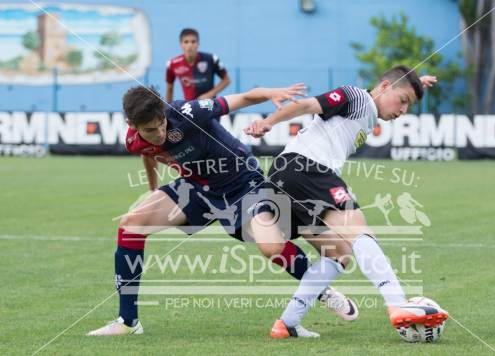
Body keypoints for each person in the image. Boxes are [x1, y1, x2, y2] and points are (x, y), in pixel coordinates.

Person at [86, 83, 357, 336]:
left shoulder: (187, 112)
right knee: (131, 224)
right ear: (131, 125)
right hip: (198, 188)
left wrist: (273, 93)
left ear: (164, 112)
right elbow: (149, 154)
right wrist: (153, 190)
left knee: (272, 247)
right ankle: (128, 321)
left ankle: (323, 291)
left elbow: (243, 98)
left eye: (161, 125)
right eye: (150, 131)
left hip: (243, 182)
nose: (159, 134)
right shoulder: (134, 140)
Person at [244, 65, 449, 338]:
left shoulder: (365, 104)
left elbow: (388, 89)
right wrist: (270, 121)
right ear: (385, 87)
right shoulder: (357, 97)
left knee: (338, 252)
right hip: (306, 168)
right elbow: (308, 105)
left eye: (408, 105)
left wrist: (414, 84)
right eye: (403, 102)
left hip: (288, 176)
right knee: (359, 231)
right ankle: (397, 303)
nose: (403, 111)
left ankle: (287, 323)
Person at [166, 28, 230, 102]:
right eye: (186, 42)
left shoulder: (211, 59)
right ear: (181, 44)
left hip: (210, 105)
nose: (190, 45)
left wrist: (209, 94)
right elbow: (169, 89)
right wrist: (168, 109)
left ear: (198, 44)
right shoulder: (172, 64)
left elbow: (227, 80)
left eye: (193, 42)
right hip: (190, 107)